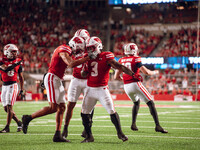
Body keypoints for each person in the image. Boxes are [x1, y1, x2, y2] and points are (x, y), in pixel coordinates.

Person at [22, 43, 90, 142]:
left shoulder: (67, 51)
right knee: (53, 108)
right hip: (52, 78)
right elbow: (70, 63)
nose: (80, 50)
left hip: (57, 79)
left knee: (62, 107)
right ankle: (28, 118)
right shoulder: (64, 49)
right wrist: (85, 59)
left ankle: (57, 135)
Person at [80, 36, 136, 143]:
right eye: (89, 48)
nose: (90, 50)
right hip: (90, 90)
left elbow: (119, 66)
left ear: (98, 46)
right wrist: (84, 67)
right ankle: (89, 136)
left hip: (102, 89)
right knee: (84, 113)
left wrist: (132, 74)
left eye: (92, 48)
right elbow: (83, 74)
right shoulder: (87, 57)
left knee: (112, 111)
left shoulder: (106, 56)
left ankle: (120, 133)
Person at [114, 43, 168, 133]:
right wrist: (155, 72)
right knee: (151, 103)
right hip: (135, 84)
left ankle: (133, 124)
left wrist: (125, 79)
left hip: (126, 86)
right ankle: (157, 126)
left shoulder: (121, 60)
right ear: (134, 50)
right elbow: (146, 72)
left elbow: (116, 77)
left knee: (136, 103)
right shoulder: (136, 58)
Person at [62, 35, 93, 138]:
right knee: (70, 105)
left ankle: (87, 129)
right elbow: (70, 64)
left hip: (87, 81)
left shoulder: (88, 53)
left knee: (88, 107)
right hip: (75, 80)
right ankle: (65, 128)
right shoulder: (72, 54)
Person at [0, 44, 25, 133]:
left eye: (15, 51)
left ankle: (7, 127)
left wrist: (22, 89)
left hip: (12, 85)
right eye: (13, 51)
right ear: (7, 52)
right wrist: (16, 64)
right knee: (6, 109)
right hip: (4, 86)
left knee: (10, 107)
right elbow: (5, 69)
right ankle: (19, 123)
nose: (15, 53)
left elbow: (21, 77)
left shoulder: (18, 62)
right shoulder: (2, 61)